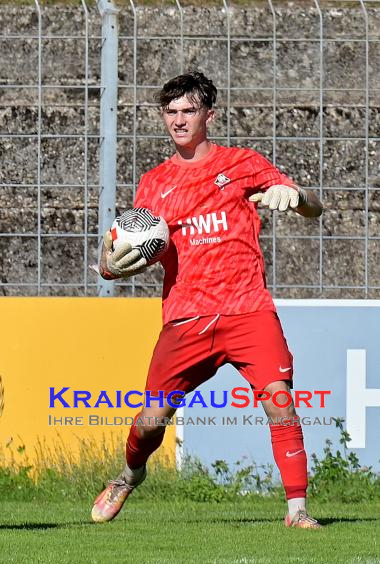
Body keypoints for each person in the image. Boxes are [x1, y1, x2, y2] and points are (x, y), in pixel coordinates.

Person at [92, 71, 323, 528]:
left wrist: (294, 196)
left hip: (247, 310)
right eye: (171, 111)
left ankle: (297, 511)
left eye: (188, 111)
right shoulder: (153, 184)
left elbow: (315, 207)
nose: (179, 120)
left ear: (208, 116)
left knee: (280, 400)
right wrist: (110, 263)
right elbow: (132, 250)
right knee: (151, 421)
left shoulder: (243, 164)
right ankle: (128, 476)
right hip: (186, 317)